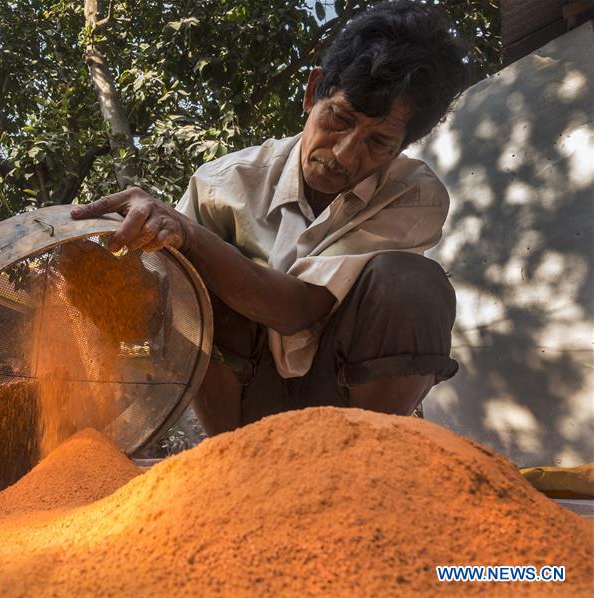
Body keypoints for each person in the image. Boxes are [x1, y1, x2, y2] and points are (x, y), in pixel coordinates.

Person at [71, 0, 469, 435]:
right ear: (312, 91)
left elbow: (299, 310)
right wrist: (110, 272)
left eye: (378, 143)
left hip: (342, 398)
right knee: (192, 275)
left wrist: (190, 234)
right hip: (239, 402)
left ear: (401, 148)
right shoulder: (222, 184)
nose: (343, 154)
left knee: (413, 282)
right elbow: (161, 310)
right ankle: (227, 456)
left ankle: (368, 452)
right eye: (339, 118)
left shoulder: (413, 195)